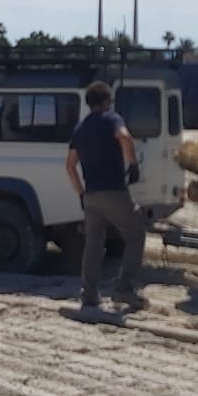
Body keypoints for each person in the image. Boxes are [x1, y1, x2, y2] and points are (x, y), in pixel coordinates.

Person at [65, 81, 144, 311]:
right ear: (106, 101)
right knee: (135, 234)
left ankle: (89, 295)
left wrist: (80, 193)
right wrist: (133, 164)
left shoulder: (80, 128)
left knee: (94, 244)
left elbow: (70, 166)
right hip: (114, 191)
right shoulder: (112, 119)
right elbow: (125, 137)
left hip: (91, 196)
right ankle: (124, 288)